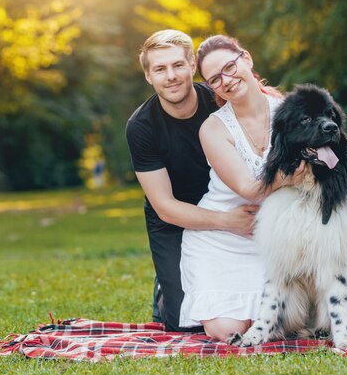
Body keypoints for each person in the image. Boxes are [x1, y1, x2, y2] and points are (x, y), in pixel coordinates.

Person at [125, 30, 259, 332]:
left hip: (229, 201)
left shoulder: (221, 102)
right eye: (160, 69)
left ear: (191, 66)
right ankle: (167, 285)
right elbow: (164, 206)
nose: (170, 76)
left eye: (177, 65)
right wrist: (227, 222)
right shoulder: (141, 127)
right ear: (148, 76)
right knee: (185, 322)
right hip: (174, 217)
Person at [179, 35, 303, 341]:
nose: (227, 80)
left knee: (289, 323)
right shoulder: (213, 128)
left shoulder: (291, 112)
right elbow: (250, 188)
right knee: (228, 329)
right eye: (215, 79)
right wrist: (296, 174)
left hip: (276, 238)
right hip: (222, 238)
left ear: (246, 59)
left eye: (230, 67)